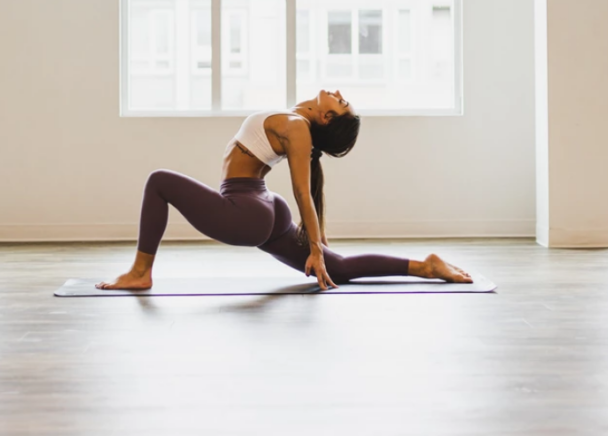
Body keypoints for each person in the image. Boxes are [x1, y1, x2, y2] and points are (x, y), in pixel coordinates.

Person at [97, 89, 473, 291]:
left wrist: (315, 248)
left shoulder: (296, 127)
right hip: (262, 205)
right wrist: (320, 247)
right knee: (337, 268)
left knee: (159, 180)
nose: (337, 92)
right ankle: (424, 266)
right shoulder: (297, 123)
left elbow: (302, 191)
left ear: (326, 117)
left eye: (340, 102)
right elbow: (305, 189)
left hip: (247, 209)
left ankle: (139, 272)